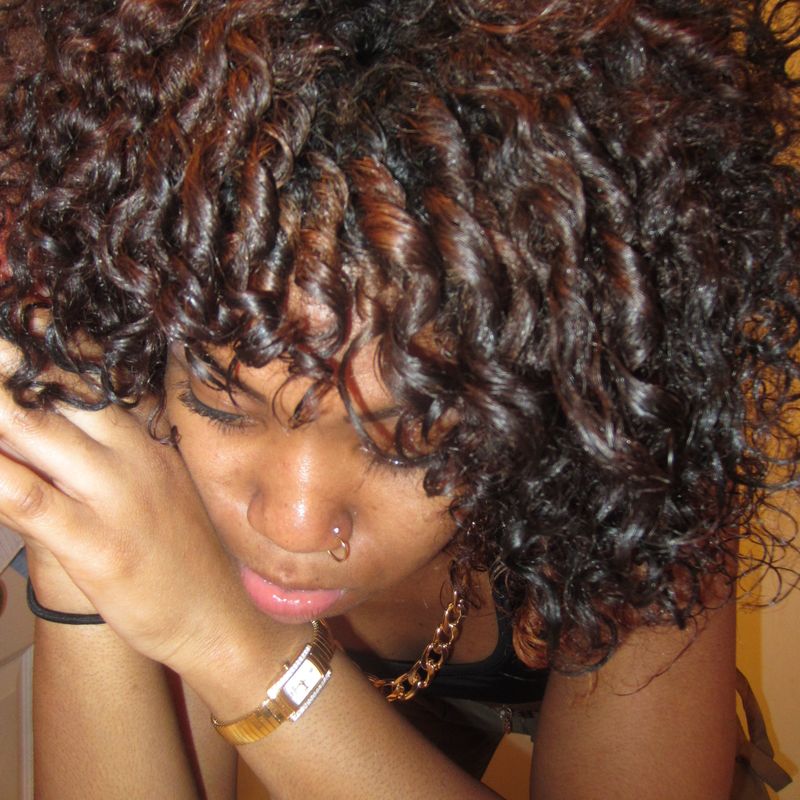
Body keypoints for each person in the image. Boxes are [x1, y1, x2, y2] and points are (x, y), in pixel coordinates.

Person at [0, 1, 798, 798]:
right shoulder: (156, 399)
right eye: (224, 402)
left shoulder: (631, 461)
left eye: (414, 431)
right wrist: (75, 553)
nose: (294, 523)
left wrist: (230, 644)